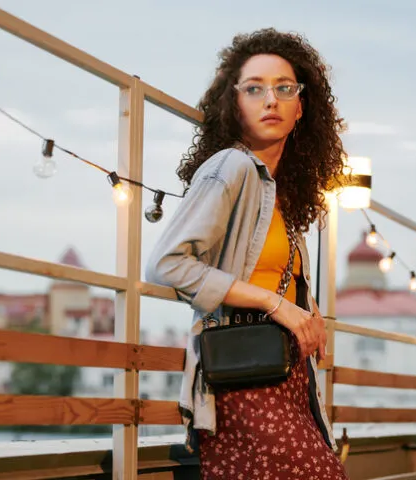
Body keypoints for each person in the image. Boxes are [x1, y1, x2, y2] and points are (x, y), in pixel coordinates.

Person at [145, 28, 350, 479]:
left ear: (302, 107)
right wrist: (276, 305)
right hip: (243, 377)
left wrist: (306, 310)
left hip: (289, 377)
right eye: (254, 88)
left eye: (284, 88)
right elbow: (166, 263)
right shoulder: (231, 167)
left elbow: (269, 269)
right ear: (232, 104)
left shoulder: (280, 192)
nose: (270, 100)